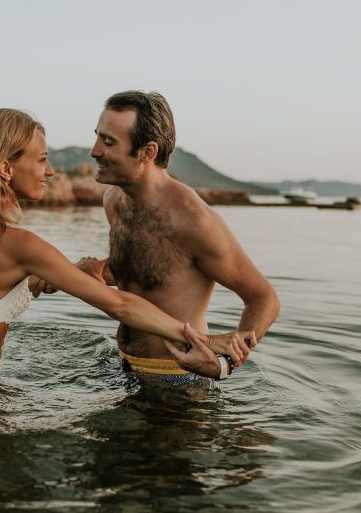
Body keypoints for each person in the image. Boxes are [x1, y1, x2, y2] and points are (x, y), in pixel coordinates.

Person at [0, 108, 234, 383]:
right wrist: (204, 341)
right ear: (6, 169)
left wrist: (67, 272)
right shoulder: (19, 245)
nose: (50, 171)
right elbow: (121, 305)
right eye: (42, 159)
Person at [66, 91, 280, 384]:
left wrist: (225, 363)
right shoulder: (114, 200)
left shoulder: (194, 220)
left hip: (179, 382)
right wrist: (95, 270)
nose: (94, 151)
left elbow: (263, 297)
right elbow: (146, 272)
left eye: (108, 142)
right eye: (98, 137)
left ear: (147, 152)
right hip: (122, 369)